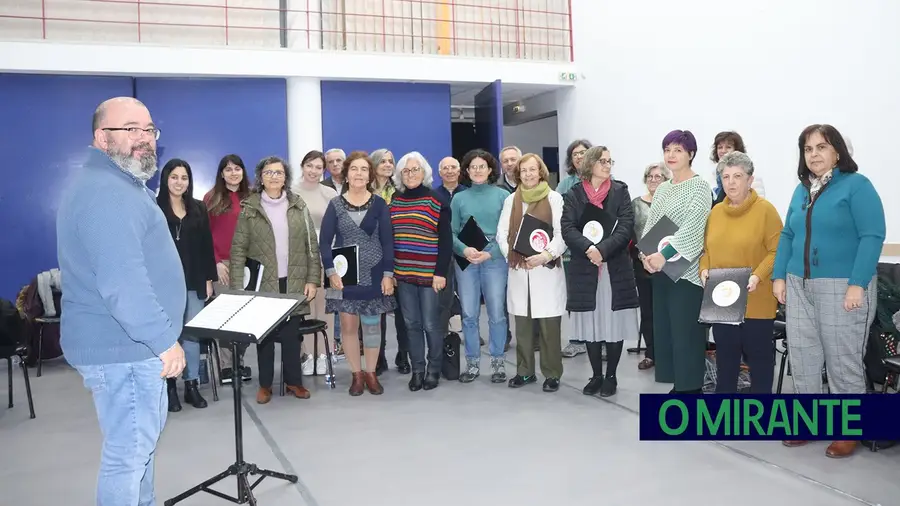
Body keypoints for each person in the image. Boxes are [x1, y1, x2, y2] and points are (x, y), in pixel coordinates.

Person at [57, 96, 186, 506]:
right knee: (128, 458)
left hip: (128, 348)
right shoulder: (108, 192)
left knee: (138, 454)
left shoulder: (121, 184)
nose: (144, 139)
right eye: (131, 129)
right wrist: (163, 340)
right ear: (101, 136)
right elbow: (122, 283)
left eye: (149, 130)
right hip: (126, 348)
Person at [773, 124, 885, 458]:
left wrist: (857, 284)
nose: (814, 155)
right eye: (808, 149)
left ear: (838, 151)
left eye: (821, 147)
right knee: (804, 357)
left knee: (842, 360)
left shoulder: (857, 186)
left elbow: (872, 236)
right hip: (798, 284)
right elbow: (788, 235)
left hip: (842, 286)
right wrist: (779, 276)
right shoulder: (802, 190)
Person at [229, 156, 321, 404]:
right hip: (262, 283)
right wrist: (238, 287)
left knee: (292, 336)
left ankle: (294, 382)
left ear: (285, 177)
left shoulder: (298, 206)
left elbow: (312, 246)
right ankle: (265, 385)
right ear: (260, 177)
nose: (274, 177)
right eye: (268, 172)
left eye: (278, 173)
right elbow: (238, 249)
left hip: (293, 280)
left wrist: (312, 279)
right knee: (265, 337)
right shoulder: (249, 208)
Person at [698, 151, 782, 393]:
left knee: (760, 367)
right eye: (726, 177)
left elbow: (777, 251)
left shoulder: (766, 211)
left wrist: (758, 275)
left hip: (756, 301)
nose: (731, 182)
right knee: (725, 365)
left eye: (738, 176)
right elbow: (706, 251)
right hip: (723, 304)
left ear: (750, 179)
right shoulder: (715, 213)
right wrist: (704, 270)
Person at [639, 129, 712, 394]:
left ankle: (691, 387)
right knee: (667, 331)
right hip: (661, 273)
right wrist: (645, 256)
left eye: (678, 150)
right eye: (667, 149)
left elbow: (693, 228)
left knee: (686, 333)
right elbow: (650, 228)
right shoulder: (663, 189)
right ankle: (679, 384)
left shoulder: (700, 186)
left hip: (687, 274)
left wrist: (663, 255)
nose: (671, 155)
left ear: (691, 154)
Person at [562, 146, 639, 397]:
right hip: (585, 268)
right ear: (590, 164)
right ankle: (595, 375)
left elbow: (626, 226)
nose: (607, 165)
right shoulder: (574, 194)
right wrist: (588, 249)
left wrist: (602, 250)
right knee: (590, 322)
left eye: (609, 161)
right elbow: (568, 227)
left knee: (612, 321)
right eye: (602, 161)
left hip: (613, 267)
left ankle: (611, 376)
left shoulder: (620, 191)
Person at [319, 151, 397, 396]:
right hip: (343, 277)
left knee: (372, 327)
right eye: (354, 169)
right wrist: (331, 272)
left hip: (375, 274)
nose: (359, 173)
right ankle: (356, 375)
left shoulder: (379, 204)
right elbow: (324, 242)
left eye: (364, 169)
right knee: (349, 327)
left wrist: (388, 273)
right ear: (347, 173)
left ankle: (371, 373)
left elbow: (388, 242)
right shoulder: (335, 204)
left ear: (370, 174)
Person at [496, 154, 567, 392]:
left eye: (532, 170)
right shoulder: (511, 200)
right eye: (523, 170)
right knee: (523, 327)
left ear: (541, 172)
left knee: (549, 327)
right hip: (519, 270)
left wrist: (545, 255)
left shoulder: (554, 198)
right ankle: (524, 372)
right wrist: (512, 255)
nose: (527, 174)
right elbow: (501, 233)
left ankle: (552, 374)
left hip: (545, 270)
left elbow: (561, 234)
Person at [157, 158, 217, 411]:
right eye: (174, 177)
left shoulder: (198, 208)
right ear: (165, 179)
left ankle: (192, 385)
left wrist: (208, 279)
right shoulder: (154, 207)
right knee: (168, 336)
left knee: (192, 336)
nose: (179, 182)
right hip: (163, 284)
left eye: (184, 178)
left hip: (194, 280)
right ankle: (170, 387)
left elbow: (206, 245)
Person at [389, 152, 452, 391]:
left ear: (424, 173)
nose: (411, 174)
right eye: (406, 170)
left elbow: (445, 242)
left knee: (430, 324)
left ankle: (433, 371)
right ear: (400, 175)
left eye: (415, 169)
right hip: (403, 274)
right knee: (411, 324)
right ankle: (417, 371)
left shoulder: (437, 201)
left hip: (429, 276)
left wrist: (440, 274)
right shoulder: (394, 200)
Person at [452, 148, 511, 383]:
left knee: (496, 312)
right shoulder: (459, 198)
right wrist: (464, 250)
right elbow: (451, 232)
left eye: (482, 166)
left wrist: (491, 253)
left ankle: (497, 362)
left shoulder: (502, 195)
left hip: (494, 260)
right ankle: (473, 363)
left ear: (490, 170)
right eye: (473, 167)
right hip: (466, 259)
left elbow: (509, 232)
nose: (477, 170)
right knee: (468, 314)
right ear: (466, 171)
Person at [203, 154, 252, 383]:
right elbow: (203, 235)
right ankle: (225, 367)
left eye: (237, 168)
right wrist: (214, 263)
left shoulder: (252, 197)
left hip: (248, 265)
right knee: (227, 316)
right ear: (221, 173)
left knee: (244, 317)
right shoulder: (211, 198)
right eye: (228, 169)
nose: (233, 173)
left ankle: (239, 364)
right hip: (222, 264)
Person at [292, 150, 339, 375]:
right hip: (300, 257)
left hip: (325, 255)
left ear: (324, 170)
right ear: (302, 166)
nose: (313, 171)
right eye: (310, 165)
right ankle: (308, 355)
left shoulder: (329, 193)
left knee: (325, 306)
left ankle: (324, 355)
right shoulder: (291, 192)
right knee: (306, 306)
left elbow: (337, 227)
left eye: (318, 167)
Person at [371, 148, 411, 375]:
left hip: (400, 256)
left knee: (402, 311)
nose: (387, 164)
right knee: (376, 311)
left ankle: (403, 355)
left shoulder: (400, 192)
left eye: (391, 161)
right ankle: (378, 357)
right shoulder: (364, 192)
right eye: (383, 161)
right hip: (373, 259)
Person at [631, 162, 671, 371]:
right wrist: (639, 254)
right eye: (650, 176)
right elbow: (629, 235)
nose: (654, 180)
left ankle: (668, 353)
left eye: (659, 177)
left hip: (669, 265)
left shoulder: (672, 203)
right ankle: (651, 353)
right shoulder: (635, 204)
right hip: (642, 265)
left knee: (667, 311)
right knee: (648, 311)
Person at [556, 139, 593, 359]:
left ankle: (601, 339)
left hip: (600, 250)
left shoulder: (605, 179)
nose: (579, 157)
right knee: (575, 296)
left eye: (583, 152)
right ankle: (577, 340)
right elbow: (560, 216)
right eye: (575, 154)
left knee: (599, 296)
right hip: (572, 250)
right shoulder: (565, 185)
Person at [709, 131, 765, 205]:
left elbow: (759, 201)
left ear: (737, 150)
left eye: (728, 147)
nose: (723, 151)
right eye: (720, 147)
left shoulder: (749, 171)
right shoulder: (714, 174)